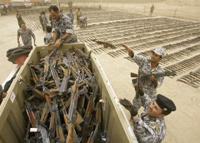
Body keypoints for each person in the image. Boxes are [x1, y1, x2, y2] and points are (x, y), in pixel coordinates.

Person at [122, 44, 165, 110]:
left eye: (156, 55)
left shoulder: (161, 71)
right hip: (139, 91)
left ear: (160, 59)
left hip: (150, 95)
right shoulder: (145, 61)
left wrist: (154, 81)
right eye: (153, 54)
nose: (153, 56)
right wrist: (131, 52)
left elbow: (158, 85)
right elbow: (135, 56)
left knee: (149, 111)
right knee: (135, 109)